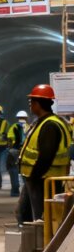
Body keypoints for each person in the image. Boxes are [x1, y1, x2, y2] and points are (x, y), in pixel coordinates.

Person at [17, 84, 73, 224]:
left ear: (37, 104)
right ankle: (30, 244)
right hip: (37, 178)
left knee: (40, 218)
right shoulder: (44, 122)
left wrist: (35, 176)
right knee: (24, 214)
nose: (30, 105)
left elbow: (46, 157)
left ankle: (41, 244)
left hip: (43, 180)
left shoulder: (50, 125)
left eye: (31, 102)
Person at [6, 110, 28, 198]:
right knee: (25, 171)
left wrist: (10, 149)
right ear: (26, 118)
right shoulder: (29, 127)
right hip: (25, 151)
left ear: (17, 118)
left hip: (15, 150)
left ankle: (15, 191)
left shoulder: (13, 126)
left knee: (13, 170)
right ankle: (27, 192)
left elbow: (10, 139)